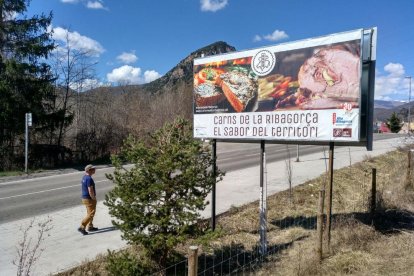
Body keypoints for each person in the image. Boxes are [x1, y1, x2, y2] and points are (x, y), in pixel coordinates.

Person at [78, 164, 98, 235]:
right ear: (89, 170)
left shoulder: (84, 177)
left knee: (90, 213)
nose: (95, 170)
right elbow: (90, 190)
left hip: (85, 198)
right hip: (89, 199)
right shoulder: (89, 179)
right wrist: (93, 198)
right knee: (91, 214)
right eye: (93, 169)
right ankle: (82, 227)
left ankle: (90, 226)